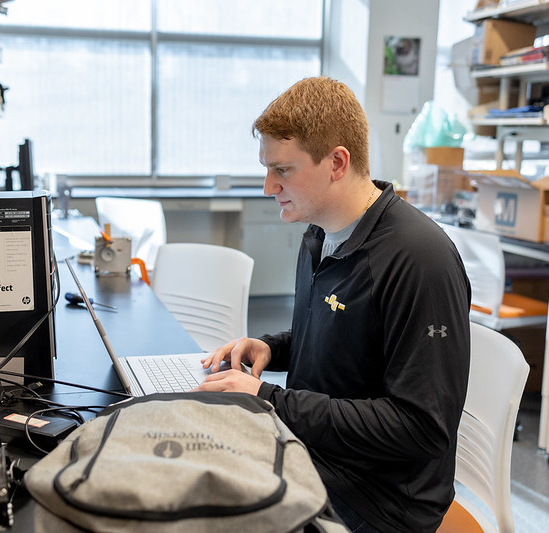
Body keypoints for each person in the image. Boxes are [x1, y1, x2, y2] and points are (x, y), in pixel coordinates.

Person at [198, 76, 471, 533]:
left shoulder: (420, 259)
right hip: (315, 451)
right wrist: (273, 348)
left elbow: (422, 427)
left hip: (379, 501)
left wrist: (273, 401)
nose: (268, 187)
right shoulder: (320, 234)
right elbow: (343, 338)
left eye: (282, 170)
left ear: (337, 162)